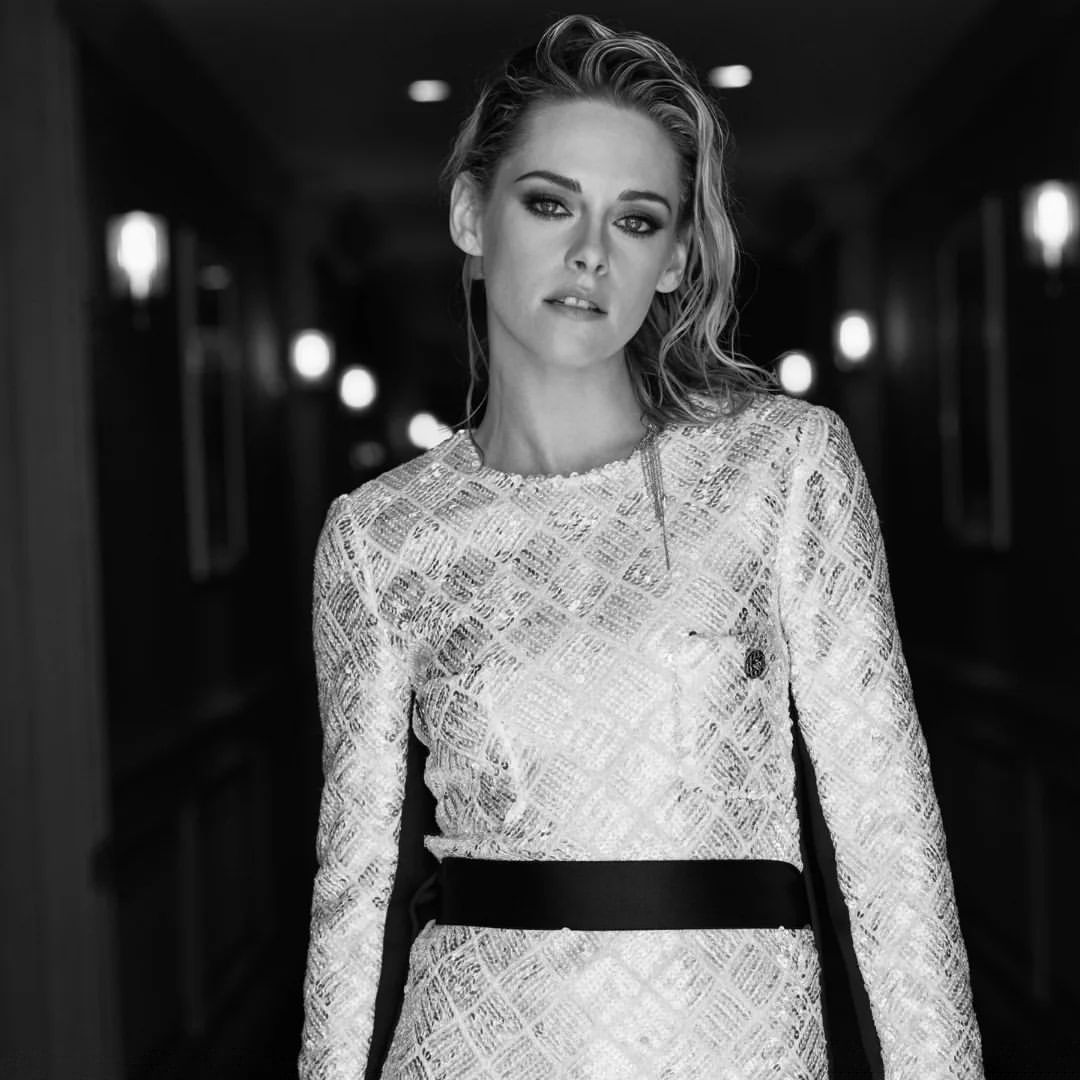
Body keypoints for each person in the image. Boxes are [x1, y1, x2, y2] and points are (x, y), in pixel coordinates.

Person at [298, 14, 985, 1079]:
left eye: (636, 219)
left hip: (738, 1045)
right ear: (471, 214)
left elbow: (890, 837)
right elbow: (352, 901)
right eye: (549, 203)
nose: (589, 252)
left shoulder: (782, 469)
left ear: (673, 262)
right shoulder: (381, 540)